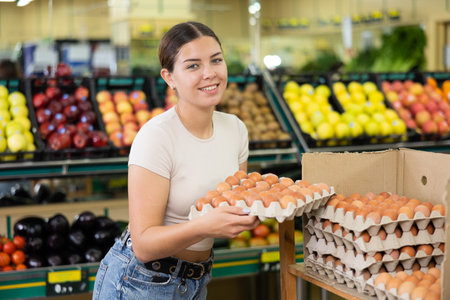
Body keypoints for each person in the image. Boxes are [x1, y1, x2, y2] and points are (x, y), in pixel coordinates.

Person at [93, 21, 260, 300]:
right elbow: (144, 245)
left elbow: (234, 200)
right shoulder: (156, 137)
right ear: (169, 77)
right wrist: (206, 225)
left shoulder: (235, 129)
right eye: (193, 66)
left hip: (197, 278)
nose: (209, 73)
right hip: (140, 280)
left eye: (216, 60)